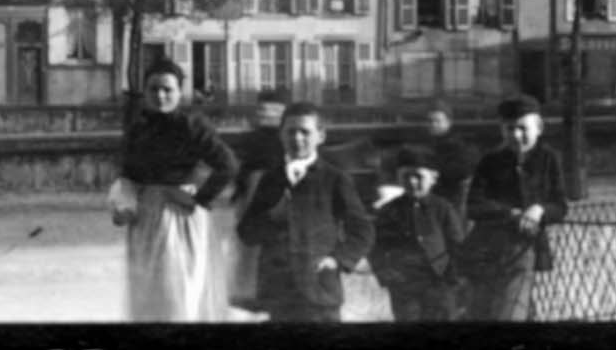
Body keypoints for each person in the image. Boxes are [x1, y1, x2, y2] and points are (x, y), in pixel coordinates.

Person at [111, 58, 239, 322]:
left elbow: (227, 165)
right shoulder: (138, 130)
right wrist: (122, 205)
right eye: (154, 89)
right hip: (146, 218)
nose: (160, 95)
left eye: (167, 89)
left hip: (181, 218)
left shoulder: (192, 127)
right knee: (147, 293)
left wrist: (200, 198)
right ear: (145, 92)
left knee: (179, 292)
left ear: (180, 92)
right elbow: (127, 174)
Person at [235, 101, 373, 322]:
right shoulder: (271, 179)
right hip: (278, 294)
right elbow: (246, 233)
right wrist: (272, 216)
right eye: (291, 132)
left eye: (305, 132)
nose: (297, 138)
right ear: (281, 135)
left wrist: (338, 260)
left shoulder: (335, 179)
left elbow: (363, 230)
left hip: (320, 291)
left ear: (321, 136)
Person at [459, 96, 567, 321]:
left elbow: (560, 206)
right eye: (510, 129)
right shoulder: (491, 161)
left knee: (510, 311)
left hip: (523, 248)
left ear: (539, 128)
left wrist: (540, 210)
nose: (516, 135)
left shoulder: (549, 159)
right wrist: (510, 214)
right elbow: (473, 206)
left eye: (522, 128)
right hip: (486, 249)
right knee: (480, 312)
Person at [369, 147, 467, 322]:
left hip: (439, 283)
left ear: (433, 178)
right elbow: (376, 247)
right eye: (406, 176)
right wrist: (387, 275)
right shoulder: (389, 211)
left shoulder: (443, 208)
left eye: (418, 177)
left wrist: (453, 278)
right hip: (404, 286)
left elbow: (457, 244)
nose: (412, 182)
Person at [222, 87, 289, 313]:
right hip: (256, 188)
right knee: (251, 240)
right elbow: (244, 166)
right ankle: (250, 290)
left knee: (260, 241)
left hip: (268, 188)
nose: (265, 117)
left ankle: (255, 290)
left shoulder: (273, 137)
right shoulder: (256, 138)